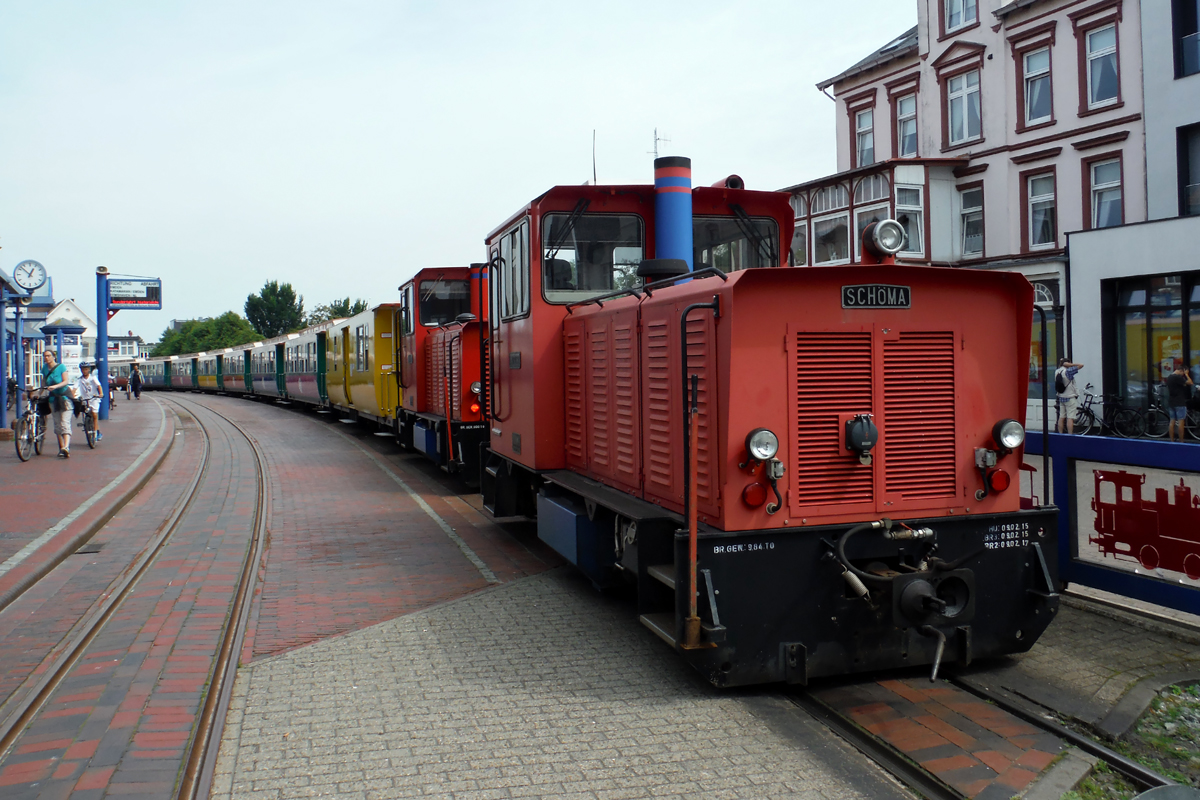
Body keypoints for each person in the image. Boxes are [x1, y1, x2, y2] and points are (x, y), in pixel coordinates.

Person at [41, 350, 74, 457]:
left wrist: (55, 386)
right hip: (53, 399)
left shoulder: (61, 367)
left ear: (53, 357)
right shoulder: (45, 368)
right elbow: (44, 381)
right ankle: (61, 447)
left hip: (65, 398)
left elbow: (65, 381)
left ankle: (66, 447)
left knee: (65, 422)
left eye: (48, 356)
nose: (46, 358)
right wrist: (38, 393)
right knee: (57, 424)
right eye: (45, 356)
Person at [1164, 364, 1195, 442]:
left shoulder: (1170, 377)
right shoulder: (1177, 377)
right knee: (1181, 422)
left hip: (1171, 402)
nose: (1183, 375)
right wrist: (1187, 375)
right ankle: (1181, 441)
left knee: (1172, 421)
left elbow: (1182, 384)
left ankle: (1172, 440)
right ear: (1182, 371)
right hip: (1180, 402)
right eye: (1183, 373)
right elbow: (1190, 383)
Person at [75, 362, 103, 442]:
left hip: (94, 398)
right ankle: (87, 425)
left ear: (89, 370)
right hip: (85, 399)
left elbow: (98, 385)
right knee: (85, 412)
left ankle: (96, 432)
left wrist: (101, 393)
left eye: (86, 369)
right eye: (83, 369)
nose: (84, 371)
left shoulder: (92, 378)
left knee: (94, 414)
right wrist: (72, 395)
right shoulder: (79, 379)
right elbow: (74, 388)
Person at [1055, 358, 1084, 434]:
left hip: (1061, 397)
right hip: (1070, 397)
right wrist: (1071, 364)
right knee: (1070, 418)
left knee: (1061, 417)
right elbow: (1081, 365)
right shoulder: (1068, 371)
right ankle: (1070, 435)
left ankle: (1060, 434)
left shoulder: (1057, 371)